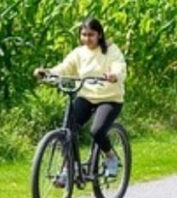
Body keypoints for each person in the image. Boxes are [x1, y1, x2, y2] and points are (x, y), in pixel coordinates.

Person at [34, 17, 127, 182]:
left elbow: (119, 66)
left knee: (97, 131)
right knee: (68, 129)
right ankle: (68, 167)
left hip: (109, 98)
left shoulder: (111, 50)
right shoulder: (79, 52)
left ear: (99, 35)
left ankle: (111, 157)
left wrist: (114, 75)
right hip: (86, 96)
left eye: (91, 35)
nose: (87, 39)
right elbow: (64, 67)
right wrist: (48, 73)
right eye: (83, 35)